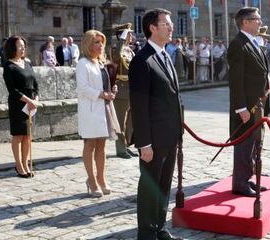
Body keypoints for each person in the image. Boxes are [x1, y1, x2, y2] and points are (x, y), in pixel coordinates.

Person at [129, 8, 183, 240]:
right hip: (153, 139)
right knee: (150, 187)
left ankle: (159, 227)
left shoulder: (164, 56)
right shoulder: (142, 61)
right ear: (152, 28)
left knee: (163, 185)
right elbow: (139, 107)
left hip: (170, 136)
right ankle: (146, 232)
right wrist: (144, 144)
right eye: (166, 24)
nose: (171, 28)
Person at [228, 7, 270, 197]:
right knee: (244, 144)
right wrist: (241, 108)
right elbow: (236, 81)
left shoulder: (253, 42)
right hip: (247, 107)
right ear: (245, 22)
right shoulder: (238, 44)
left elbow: (261, 70)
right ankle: (239, 183)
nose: (260, 22)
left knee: (254, 143)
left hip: (259, 104)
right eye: (256, 19)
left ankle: (247, 178)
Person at [76, 30, 120, 197]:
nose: (100, 45)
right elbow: (83, 87)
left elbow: (104, 83)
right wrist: (102, 94)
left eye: (101, 42)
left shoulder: (101, 62)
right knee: (90, 144)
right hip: (91, 109)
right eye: (96, 42)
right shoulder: (83, 63)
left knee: (102, 145)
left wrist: (111, 89)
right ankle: (91, 180)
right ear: (88, 44)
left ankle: (101, 179)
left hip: (104, 109)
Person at [3, 35, 39, 178]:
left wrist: (35, 99)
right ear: (13, 48)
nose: (23, 48)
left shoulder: (27, 63)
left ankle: (25, 163)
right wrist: (28, 100)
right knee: (18, 135)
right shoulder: (9, 66)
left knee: (28, 136)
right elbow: (12, 89)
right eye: (20, 46)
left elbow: (35, 84)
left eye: (24, 46)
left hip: (31, 104)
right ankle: (18, 165)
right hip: (18, 104)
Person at [111, 22, 137, 159]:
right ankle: (120, 149)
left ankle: (126, 145)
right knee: (121, 120)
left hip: (132, 88)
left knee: (130, 120)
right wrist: (122, 39)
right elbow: (115, 58)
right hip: (121, 89)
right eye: (129, 33)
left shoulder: (129, 50)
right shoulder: (117, 48)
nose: (131, 36)